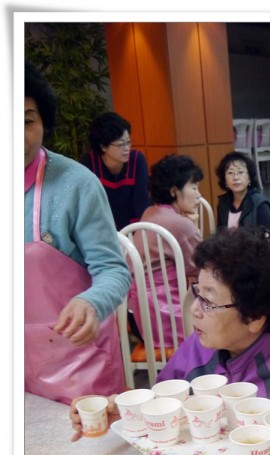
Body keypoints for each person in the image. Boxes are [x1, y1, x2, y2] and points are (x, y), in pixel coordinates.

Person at [70, 226, 270, 446]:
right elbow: (164, 405)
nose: (195, 310)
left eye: (209, 301)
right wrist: (119, 409)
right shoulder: (200, 345)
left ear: (256, 315)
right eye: (197, 292)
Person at [24, 61, 130, 404]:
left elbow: (114, 270)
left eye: (27, 121)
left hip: (80, 362)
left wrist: (92, 301)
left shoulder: (75, 183)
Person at [129, 154, 206, 348]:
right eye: (194, 187)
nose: (199, 195)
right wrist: (192, 226)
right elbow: (200, 268)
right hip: (169, 315)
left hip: (139, 314)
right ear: (174, 191)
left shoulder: (150, 213)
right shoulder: (180, 224)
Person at [79, 111, 150, 230]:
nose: (127, 148)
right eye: (121, 145)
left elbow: (141, 202)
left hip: (135, 228)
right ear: (103, 146)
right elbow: (88, 205)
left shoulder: (137, 159)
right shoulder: (89, 163)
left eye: (128, 142)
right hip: (103, 228)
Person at [215, 151, 270, 234]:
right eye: (230, 173)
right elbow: (220, 236)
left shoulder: (260, 205)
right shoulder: (223, 203)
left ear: (249, 178)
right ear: (224, 179)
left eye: (240, 172)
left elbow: (269, 240)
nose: (236, 177)